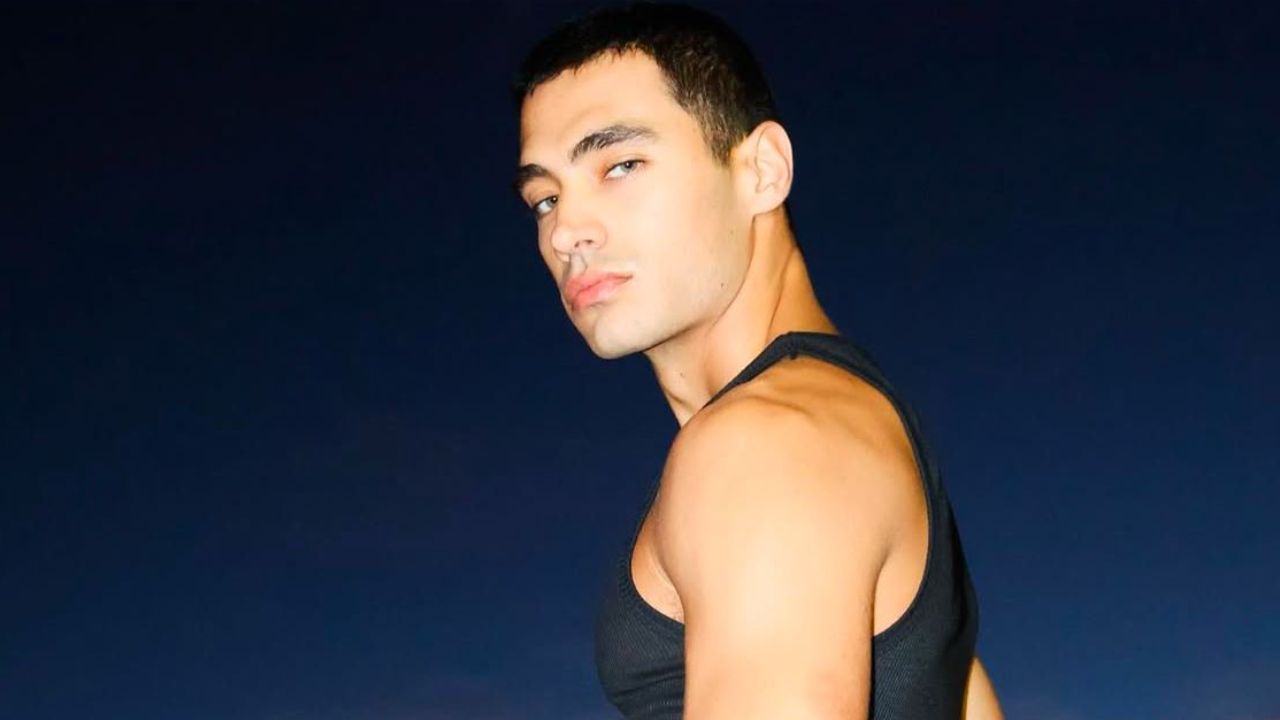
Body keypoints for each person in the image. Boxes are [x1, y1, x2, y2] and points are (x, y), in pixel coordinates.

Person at [511, 3, 1002, 718]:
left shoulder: (764, 444)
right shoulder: (840, 428)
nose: (565, 232)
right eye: (545, 198)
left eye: (619, 165)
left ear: (763, 171)